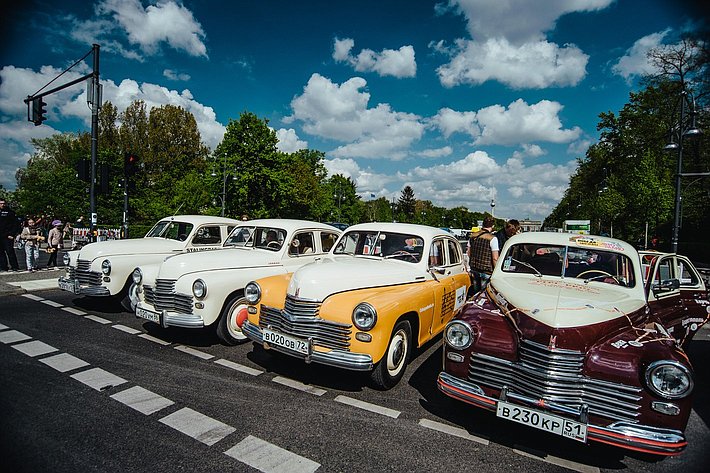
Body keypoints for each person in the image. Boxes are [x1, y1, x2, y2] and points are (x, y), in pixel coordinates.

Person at [467, 216, 495, 293]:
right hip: (486, 271)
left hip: (474, 268)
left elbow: (469, 252)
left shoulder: (473, 236)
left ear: (483, 224)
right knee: (484, 294)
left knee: (476, 293)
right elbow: (495, 258)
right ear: (492, 226)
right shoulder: (492, 238)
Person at [0, 198, 21, 271]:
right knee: (1, 253)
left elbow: (16, 224)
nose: (2, 205)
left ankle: (15, 266)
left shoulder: (10, 212)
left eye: (3, 203)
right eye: (1, 203)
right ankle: (3, 267)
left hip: (7, 236)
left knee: (10, 252)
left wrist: (12, 234)